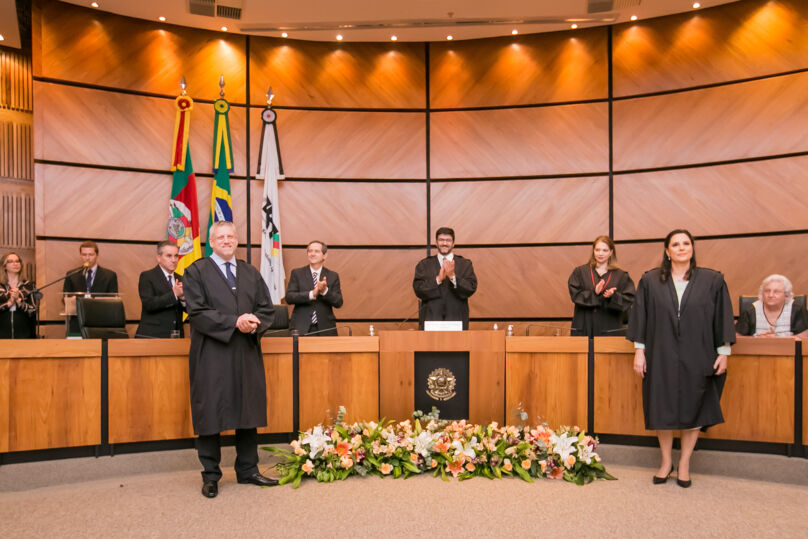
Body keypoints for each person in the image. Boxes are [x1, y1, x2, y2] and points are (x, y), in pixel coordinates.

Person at [627, 229, 735, 488]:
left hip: (698, 352)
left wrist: (724, 352)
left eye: (686, 243)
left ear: (692, 248)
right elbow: (641, 317)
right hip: (660, 352)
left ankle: (685, 462)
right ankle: (666, 462)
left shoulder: (712, 280)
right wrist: (639, 351)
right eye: (675, 244)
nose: (681, 248)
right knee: (660, 407)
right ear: (667, 251)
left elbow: (722, 315)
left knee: (693, 406)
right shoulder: (651, 281)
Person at [182, 221, 277, 498]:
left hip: (245, 351)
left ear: (237, 241)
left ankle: (248, 470)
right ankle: (211, 475)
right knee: (211, 411)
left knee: (248, 410)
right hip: (212, 353)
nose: (226, 240)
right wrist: (234, 322)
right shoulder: (196, 271)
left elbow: (266, 308)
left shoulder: (249, 272)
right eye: (220, 237)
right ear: (211, 242)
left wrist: (254, 322)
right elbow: (197, 313)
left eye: (231, 236)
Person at [568, 235, 635, 336]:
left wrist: (612, 296)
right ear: (593, 251)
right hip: (584, 327)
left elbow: (628, 300)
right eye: (597, 250)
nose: (600, 253)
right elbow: (575, 295)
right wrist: (594, 292)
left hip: (610, 327)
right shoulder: (580, 272)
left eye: (604, 250)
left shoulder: (621, 276)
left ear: (611, 252)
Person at [413, 227, 477, 330]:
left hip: (457, 320)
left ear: (453, 243)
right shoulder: (424, 265)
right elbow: (418, 290)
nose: (444, 243)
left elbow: (470, 288)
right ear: (436, 242)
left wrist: (453, 277)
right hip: (431, 319)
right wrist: (438, 279)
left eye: (448, 240)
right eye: (441, 240)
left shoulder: (465, 264)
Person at [285, 240, 343, 336]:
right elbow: (289, 297)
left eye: (316, 251)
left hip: (326, 329)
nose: (312, 254)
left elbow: (339, 302)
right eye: (310, 251)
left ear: (324, 255)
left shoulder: (333, 276)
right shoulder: (297, 273)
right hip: (301, 327)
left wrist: (325, 291)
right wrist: (312, 294)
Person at [62, 240, 119, 336]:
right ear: (80, 255)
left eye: (91, 254)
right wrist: (70, 300)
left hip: (100, 323)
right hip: (77, 323)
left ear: (97, 255)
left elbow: (113, 300)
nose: (87, 258)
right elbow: (64, 298)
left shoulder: (110, 276)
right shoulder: (71, 275)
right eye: (84, 255)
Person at [135, 241, 186, 338]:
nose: (174, 260)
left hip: (176, 336)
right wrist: (174, 294)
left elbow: (190, 310)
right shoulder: (147, 276)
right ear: (158, 258)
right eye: (169, 256)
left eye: (176, 256)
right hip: (153, 336)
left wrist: (183, 299)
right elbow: (149, 304)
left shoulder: (181, 278)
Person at [736, 274, 808, 339]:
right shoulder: (750, 311)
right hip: (758, 350)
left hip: (790, 352)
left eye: (776, 292)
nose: (770, 295)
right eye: (767, 291)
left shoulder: (797, 309)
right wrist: (757, 339)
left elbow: (805, 336)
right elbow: (737, 338)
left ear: (786, 295)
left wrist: (778, 340)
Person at [0, 252, 37, 339]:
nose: (15, 264)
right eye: (10, 261)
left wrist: (18, 301)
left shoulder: (29, 286)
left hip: (24, 334)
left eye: (17, 261)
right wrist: (9, 303)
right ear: (4, 266)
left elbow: (33, 310)